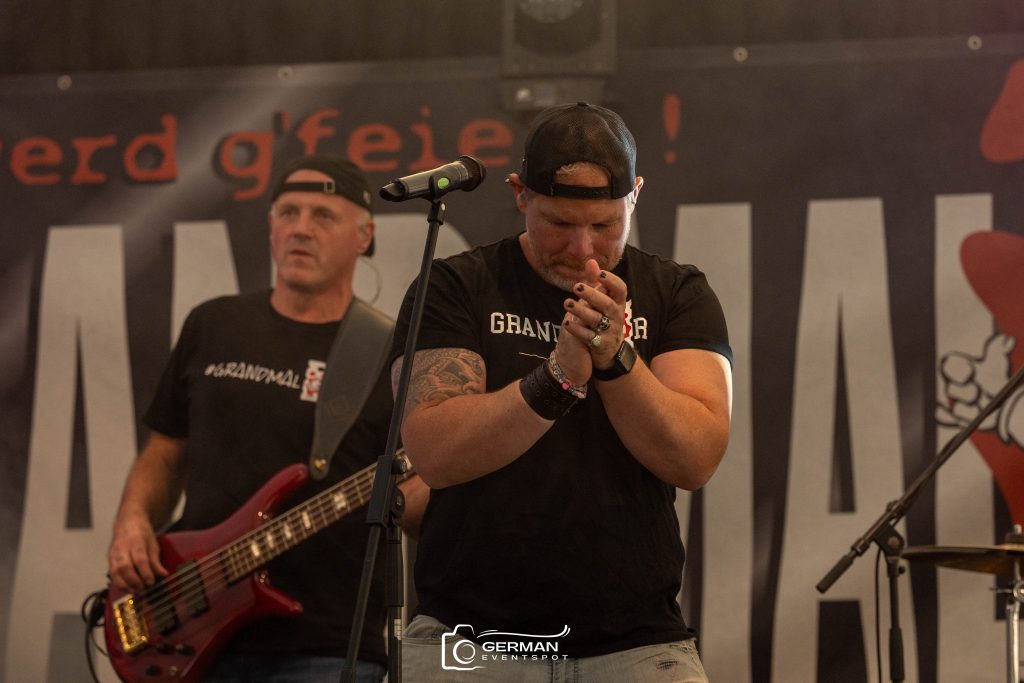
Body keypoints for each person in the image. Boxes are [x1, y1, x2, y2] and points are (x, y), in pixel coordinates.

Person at [389, 102, 733, 682]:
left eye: (603, 226)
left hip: (634, 640)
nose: (583, 251)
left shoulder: (678, 292)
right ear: (520, 194)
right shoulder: (456, 285)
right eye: (559, 224)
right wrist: (556, 380)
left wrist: (615, 358)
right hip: (471, 639)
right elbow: (435, 453)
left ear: (634, 197)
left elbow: (695, 457)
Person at [107, 154, 426, 683]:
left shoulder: (394, 354)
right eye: (288, 213)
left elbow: (416, 498)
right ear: (271, 226)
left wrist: (437, 485)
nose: (301, 228)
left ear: (364, 236)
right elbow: (163, 455)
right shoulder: (213, 323)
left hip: (327, 641)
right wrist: (132, 524)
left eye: (323, 216)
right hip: (190, 626)